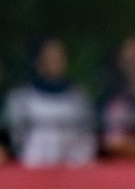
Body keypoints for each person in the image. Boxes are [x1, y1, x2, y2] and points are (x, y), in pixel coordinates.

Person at [6, 37, 96, 167]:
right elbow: (18, 140)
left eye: (59, 55)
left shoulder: (79, 98)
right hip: (33, 172)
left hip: (72, 172)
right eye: (51, 55)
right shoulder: (20, 99)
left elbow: (87, 139)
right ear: (38, 62)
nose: (57, 60)